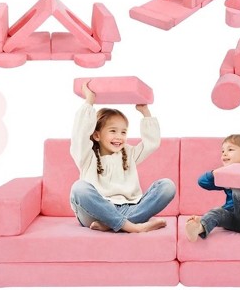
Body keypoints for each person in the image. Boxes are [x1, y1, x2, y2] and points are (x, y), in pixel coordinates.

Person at [70, 82, 176, 233]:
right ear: (97, 135)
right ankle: (131, 226)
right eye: (113, 131)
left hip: (129, 208)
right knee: (79, 188)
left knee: (167, 186)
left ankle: (112, 224)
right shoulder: (87, 156)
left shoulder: (129, 153)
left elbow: (151, 144)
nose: (119, 137)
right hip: (95, 213)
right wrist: (89, 101)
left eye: (123, 132)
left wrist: (145, 112)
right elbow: (79, 135)